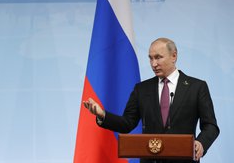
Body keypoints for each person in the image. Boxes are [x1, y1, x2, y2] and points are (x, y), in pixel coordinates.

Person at [83, 38, 219, 163]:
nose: (154, 64)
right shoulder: (141, 89)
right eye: (151, 58)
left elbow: (211, 126)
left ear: (174, 56)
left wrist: (201, 143)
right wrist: (102, 115)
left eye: (158, 57)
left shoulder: (197, 87)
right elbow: (127, 123)